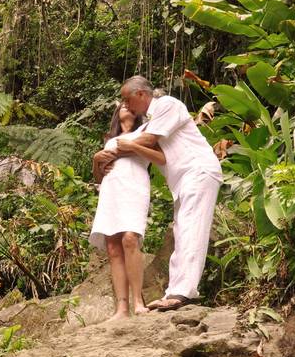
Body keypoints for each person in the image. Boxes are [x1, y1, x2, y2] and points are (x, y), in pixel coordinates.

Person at [93, 75, 222, 312]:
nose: (126, 105)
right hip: (184, 179)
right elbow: (138, 140)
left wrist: (114, 149)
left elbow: (147, 141)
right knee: (182, 229)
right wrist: (108, 153)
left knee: (191, 228)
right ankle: (175, 291)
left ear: (141, 94)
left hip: (198, 170)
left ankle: (183, 292)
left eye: (127, 99)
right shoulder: (152, 120)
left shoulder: (167, 105)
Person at [89, 103, 166, 321]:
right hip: (111, 189)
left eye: (129, 104)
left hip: (135, 185)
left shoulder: (146, 131)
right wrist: (96, 161)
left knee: (130, 238)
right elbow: (99, 177)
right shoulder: (110, 139)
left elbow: (161, 159)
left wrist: (125, 149)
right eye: (122, 105)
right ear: (116, 114)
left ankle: (138, 303)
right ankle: (121, 309)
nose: (126, 106)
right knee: (113, 246)